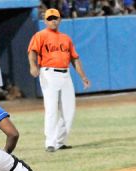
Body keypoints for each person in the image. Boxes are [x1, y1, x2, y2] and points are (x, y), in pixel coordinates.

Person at [27, 8, 90, 152]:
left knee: (69, 110)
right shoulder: (40, 35)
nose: (53, 21)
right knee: (51, 109)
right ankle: (50, 143)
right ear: (45, 21)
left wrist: (83, 77)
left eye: (55, 18)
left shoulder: (66, 38)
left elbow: (75, 59)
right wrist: (33, 66)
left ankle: (60, 142)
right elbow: (32, 52)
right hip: (48, 73)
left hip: (65, 74)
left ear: (60, 19)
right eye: (50, 18)